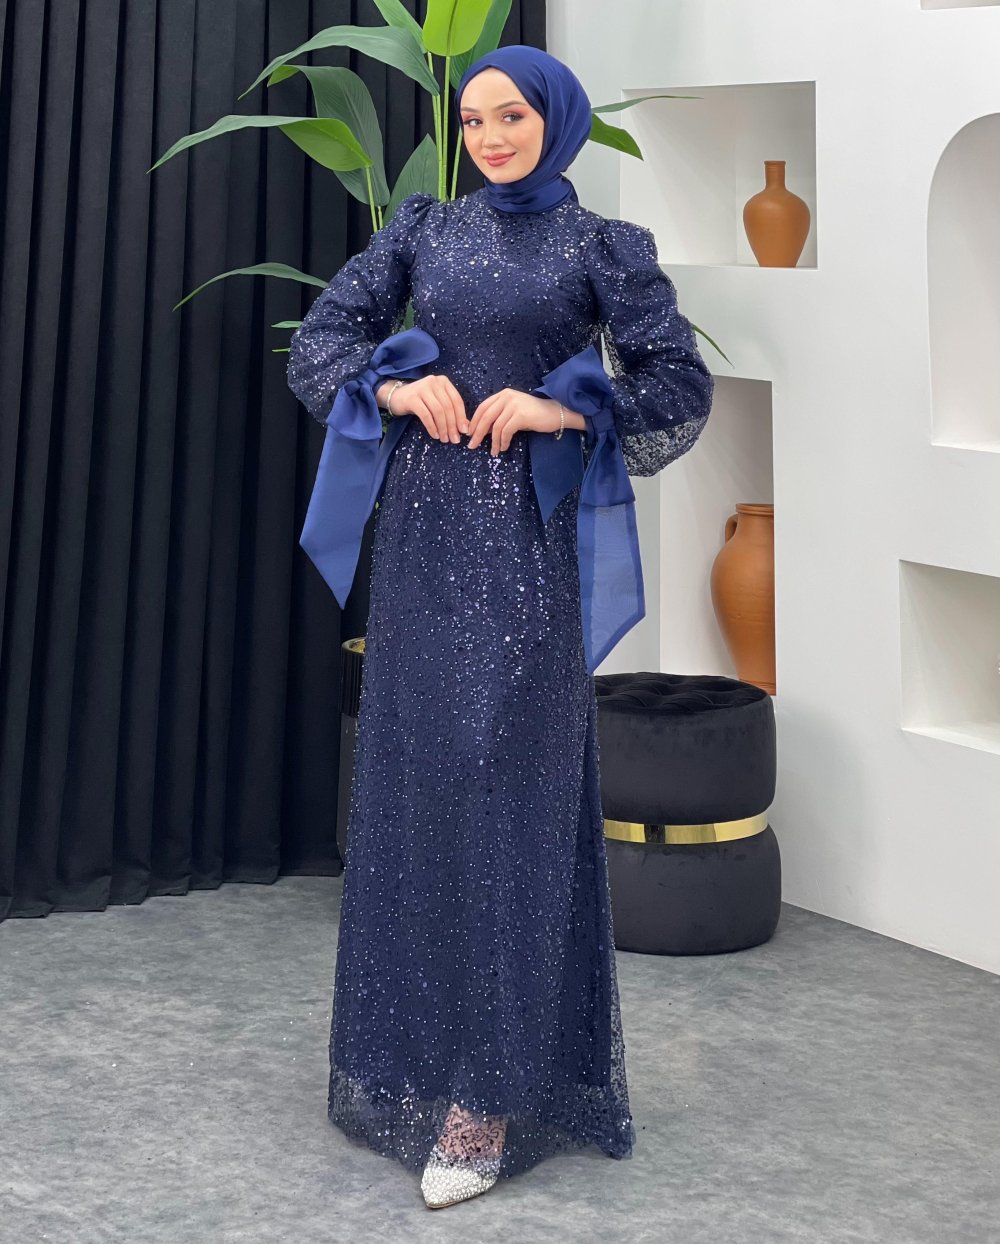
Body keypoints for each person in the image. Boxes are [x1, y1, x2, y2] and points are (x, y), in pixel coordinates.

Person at [286, 44, 715, 1210]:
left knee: (508, 800)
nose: (488, 137)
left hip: (525, 549)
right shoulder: (425, 230)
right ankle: (419, 1059)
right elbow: (320, 344)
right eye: (473, 120)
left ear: (553, 120)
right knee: (416, 791)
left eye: (511, 116)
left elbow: (676, 386)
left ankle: (488, 1096)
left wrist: (557, 406)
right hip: (421, 544)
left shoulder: (599, 246)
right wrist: (391, 385)